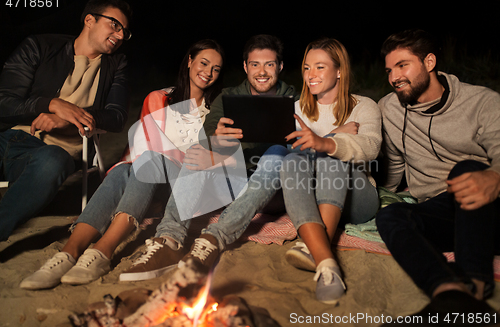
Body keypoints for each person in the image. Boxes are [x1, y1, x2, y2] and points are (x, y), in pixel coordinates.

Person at [19, 39, 225, 290]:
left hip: (187, 184)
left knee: (147, 162)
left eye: (216, 68)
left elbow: (204, 158)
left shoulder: (215, 110)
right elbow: (149, 145)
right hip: (151, 175)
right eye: (204, 63)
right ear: (190, 61)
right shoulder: (159, 99)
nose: (209, 72)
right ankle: (68, 253)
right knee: (125, 170)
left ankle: (103, 249)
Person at [120, 34, 299, 281]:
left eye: (269, 64)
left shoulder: (295, 99)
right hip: (231, 183)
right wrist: (217, 140)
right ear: (246, 66)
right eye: (255, 64)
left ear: (279, 66)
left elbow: (300, 149)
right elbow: (206, 138)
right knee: (199, 152)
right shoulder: (228, 97)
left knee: (278, 153)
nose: (262, 72)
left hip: (271, 189)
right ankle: (169, 240)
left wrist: (234, 153)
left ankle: (214, 237)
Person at [375, 29, 500, 320]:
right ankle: (448, 292)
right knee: (391, 215)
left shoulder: (482, 102)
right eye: (389, 70)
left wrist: (495, 178)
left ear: (429, 62)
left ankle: (476, 285)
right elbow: (393, 170)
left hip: (488, 210)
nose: (394, 77)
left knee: (466, 169)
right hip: (443, 212)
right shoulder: (389, 108)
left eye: (403, 65)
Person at [0, 0, 132, 241]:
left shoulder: (116, 65)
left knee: (54, 161)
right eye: (115, 25)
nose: (121, 35)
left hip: (47, 154)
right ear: (89, 20)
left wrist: (71, 118)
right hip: (8, 136)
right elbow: (4, 102)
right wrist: (52, 104)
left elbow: (116, 116)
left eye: (125, 30)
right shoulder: (39, 46)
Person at [277, 38, 381, 304]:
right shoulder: (297, 108)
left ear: (339, 71)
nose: (310, 75)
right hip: (310, 196)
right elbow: (289, 157)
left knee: (331, 155)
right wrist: (336, 134)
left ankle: (313, 246)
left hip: (357, 197)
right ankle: (325, 262)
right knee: (291, 161)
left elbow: (370, 147)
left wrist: (326, 141)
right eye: (307, 68)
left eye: (319, 67)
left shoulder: (363, 105)